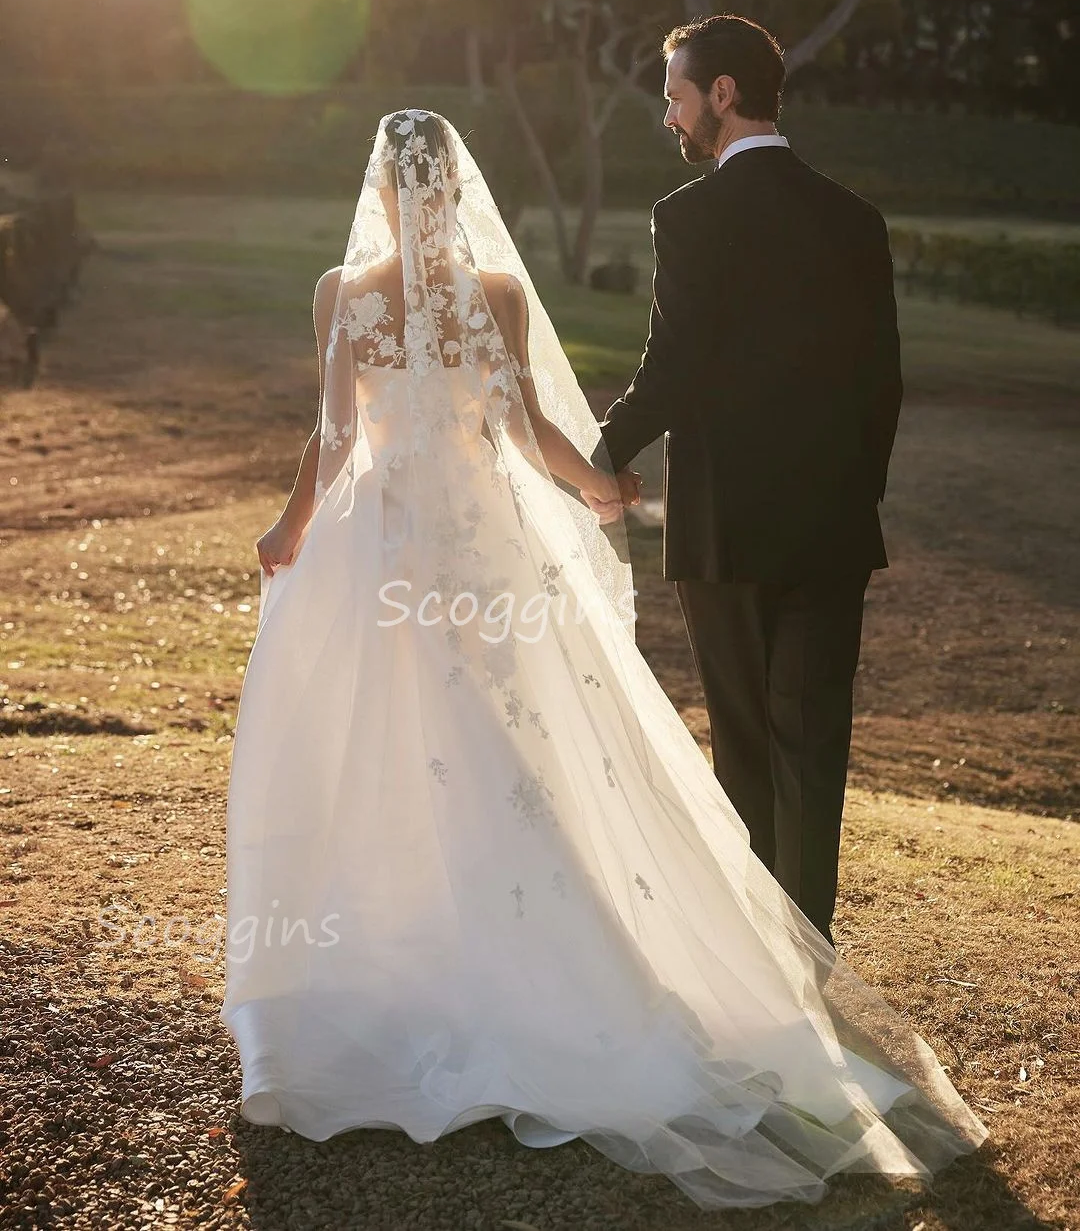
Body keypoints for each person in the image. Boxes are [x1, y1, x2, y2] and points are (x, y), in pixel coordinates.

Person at [219, 108, 984, 1211]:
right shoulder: (499, 294)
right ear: (455, 193)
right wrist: (602, 487)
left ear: (384, 191)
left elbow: (334, 444)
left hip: (382, 544)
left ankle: (400, 966)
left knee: (388, 749)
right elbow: (526, 428)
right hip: (484, 548)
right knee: (502, 755)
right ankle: (540, 971)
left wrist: (290, 531)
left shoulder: (342, 297)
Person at [591, 14, 903, 947]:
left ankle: (762, 955)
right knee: (815, 745)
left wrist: (604, 451)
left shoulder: (691, 217)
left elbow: (674, 365)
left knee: (745, 747)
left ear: (722, 94)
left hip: (724, 526)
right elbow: (881, 380)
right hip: (832, 527)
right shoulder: (856, 218)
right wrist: (854, 497)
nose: (672, 117)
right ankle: (815, 953)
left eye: (677, 97)